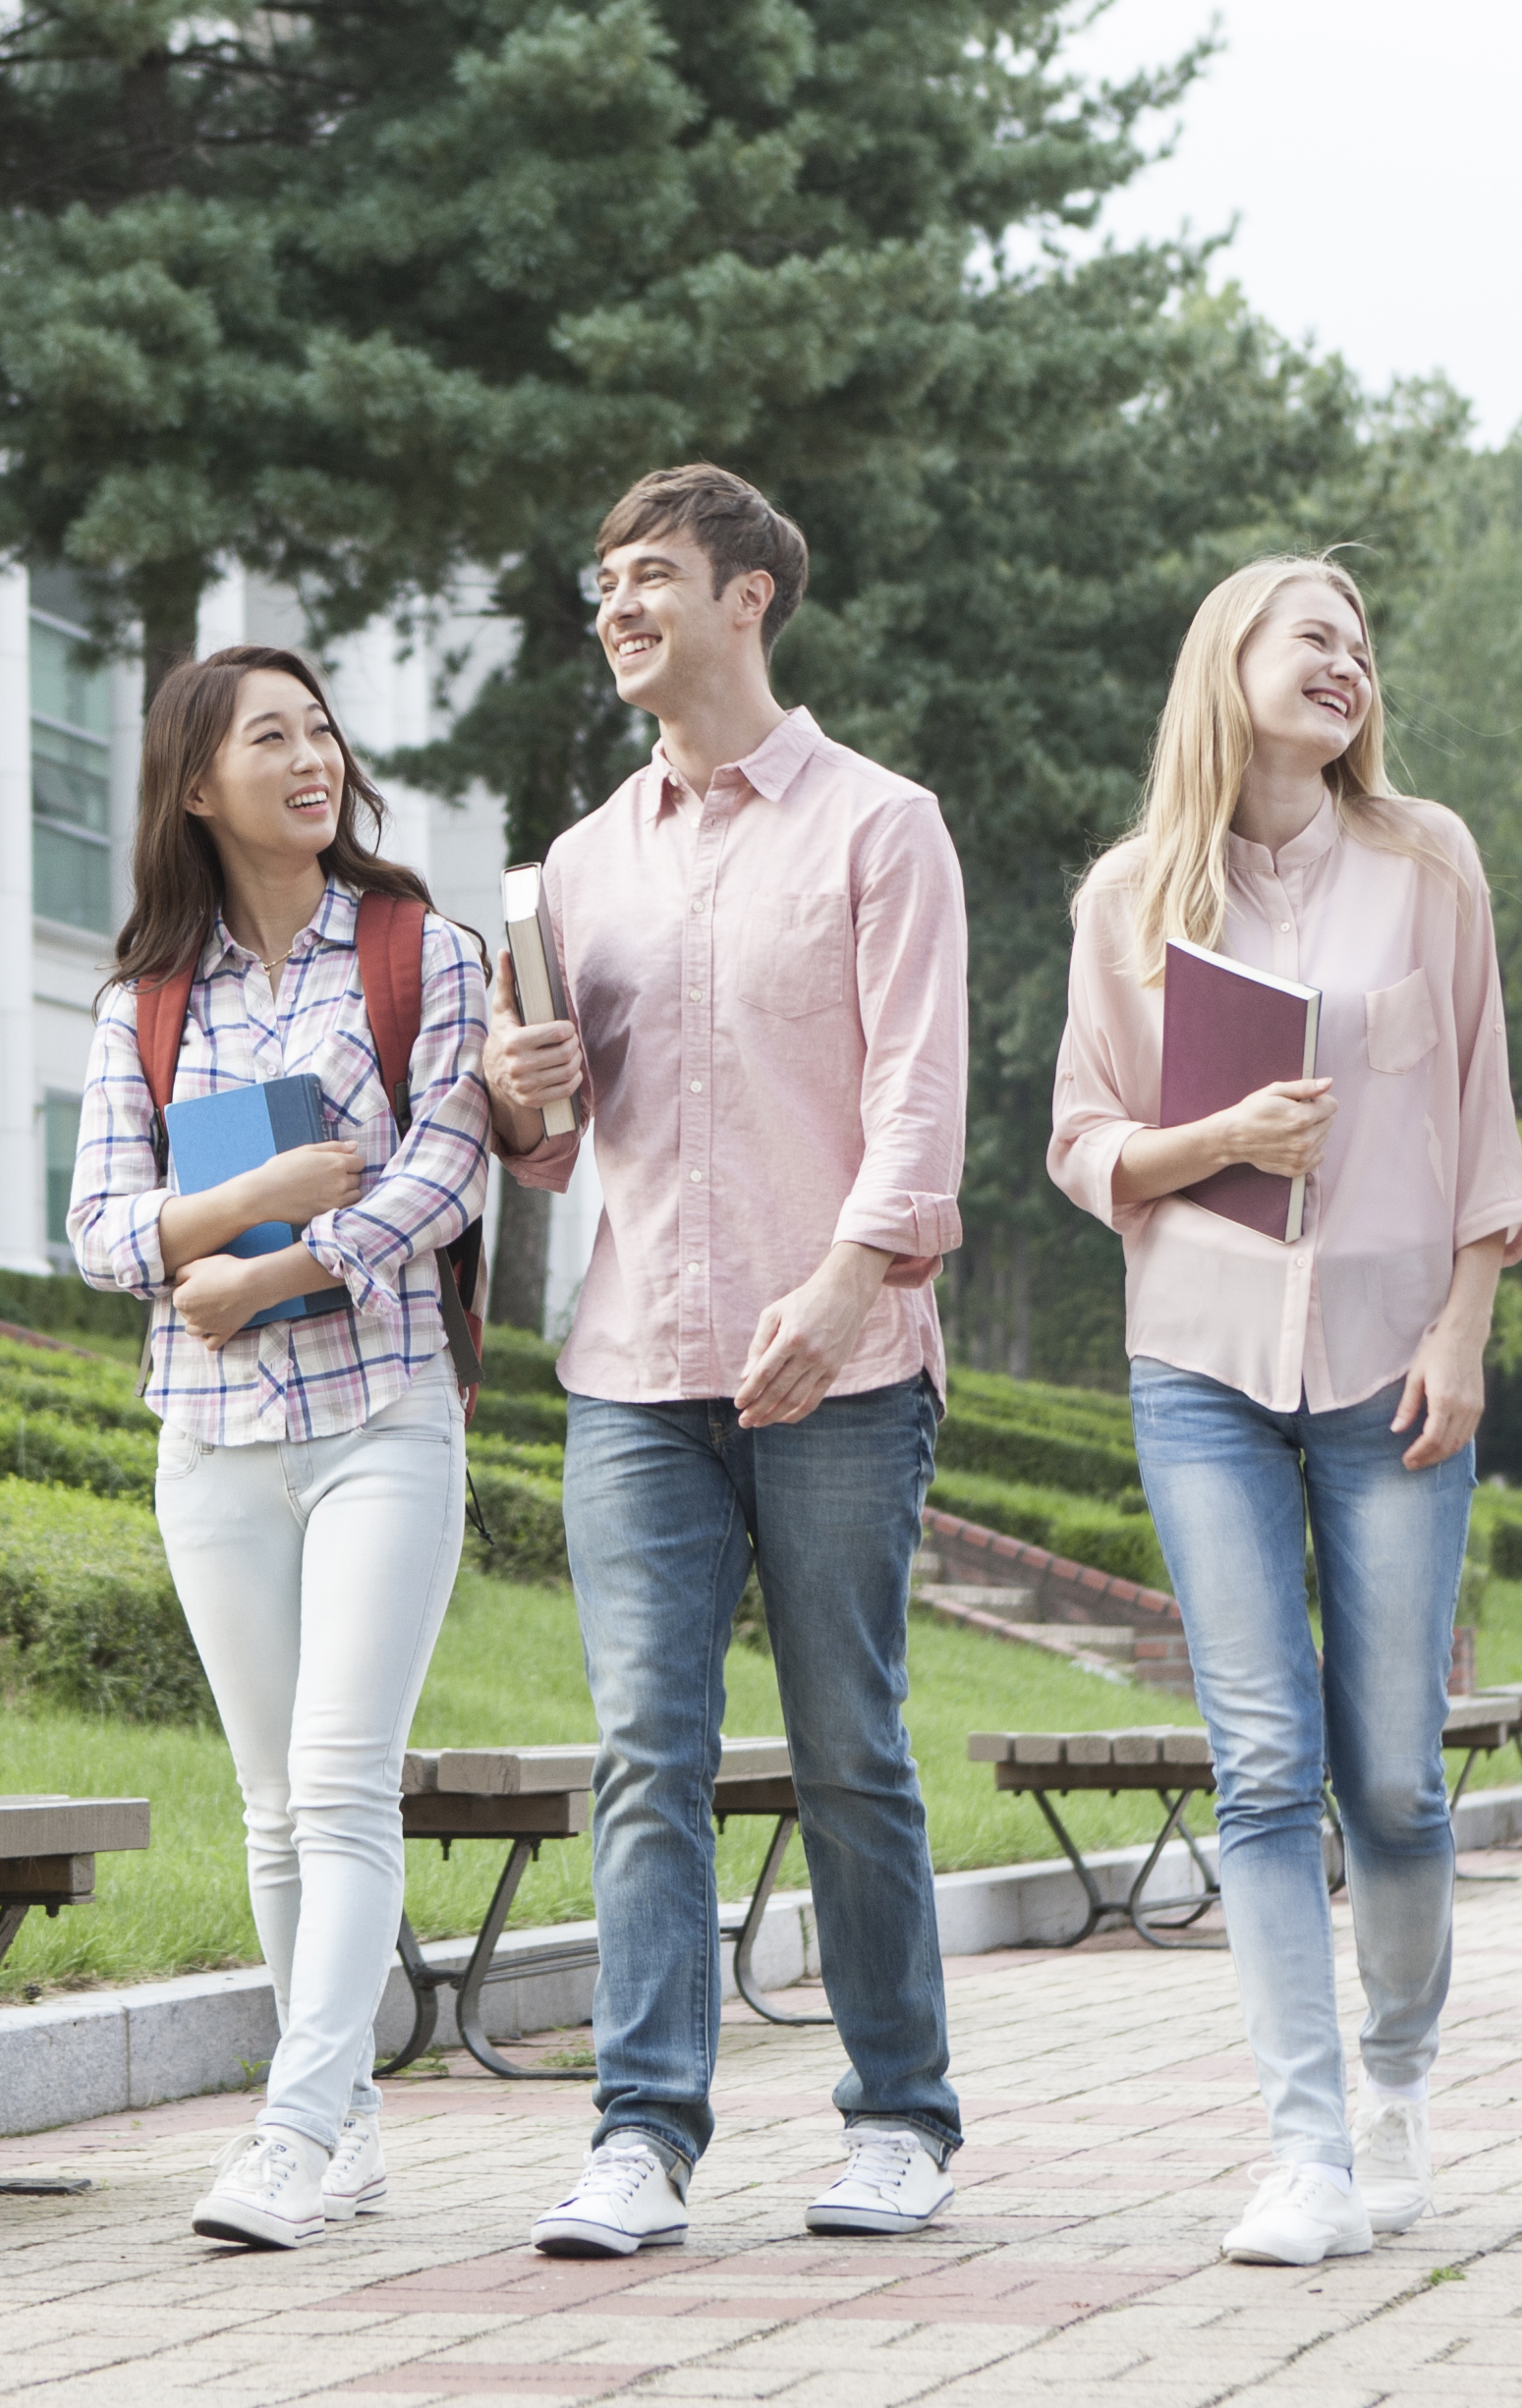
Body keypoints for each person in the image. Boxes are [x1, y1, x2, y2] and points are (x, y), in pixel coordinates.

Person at [483, 466, 972, 2257]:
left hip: (841, 1363)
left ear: (749, 598)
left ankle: (902, 2117)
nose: (619, 607)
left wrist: (849, 1289)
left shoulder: (880, 826)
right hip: (633, 1369)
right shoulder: (578, 863)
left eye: (653, 577)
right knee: (644, 1752)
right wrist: (517, 1102)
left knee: (850, 1746)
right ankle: (642, 2131)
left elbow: (920, 1094)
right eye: (603, 580)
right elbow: (556, 1148)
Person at [1046, 556, 1522, 2268]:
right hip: (1200, 1362)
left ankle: (1397, 2081)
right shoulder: (1131, 896)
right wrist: (1222, 1144)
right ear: (1227, 662)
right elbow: (1084, 1140)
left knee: (1392, 1776)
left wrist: (1467, 1328)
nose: (1349, 660)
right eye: (1312, 633)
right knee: (1261, 1764)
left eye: (1361, 642)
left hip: (1401, 1357)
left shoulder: (1429, 862)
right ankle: (1304, 2145)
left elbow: (1481, 1106)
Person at [67, 646, 499, 2252]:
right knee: (268, 1805)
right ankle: (357, 2129)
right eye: (272, 737)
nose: (313, 757)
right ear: (196, 786)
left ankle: (294, 2127)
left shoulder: (421, 951)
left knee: (340, 1781)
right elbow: (105, 1230)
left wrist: (280, 1271)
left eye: (322, 729)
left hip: (385, 1412)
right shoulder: (144, 1004)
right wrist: (248, 1207)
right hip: (215, 1434)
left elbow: (447, 1172)